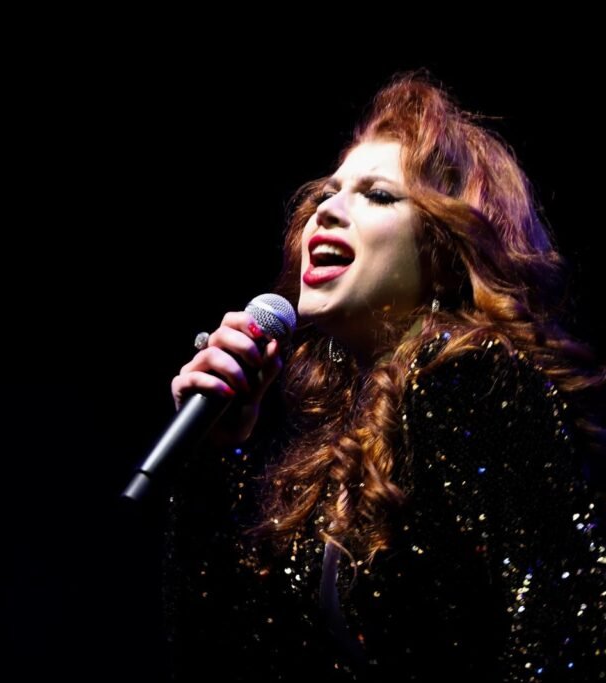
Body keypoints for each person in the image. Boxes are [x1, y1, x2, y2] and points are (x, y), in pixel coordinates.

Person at [163, 72, 606, 682]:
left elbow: (557, 636)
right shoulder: (333, 441)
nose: (326, 209)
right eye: (330, 190)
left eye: (376, 195)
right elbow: (222, 655)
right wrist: (215, 453)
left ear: (447, 250)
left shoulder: (478, 380)